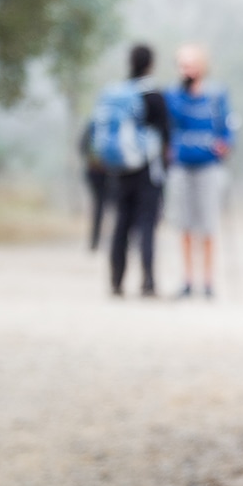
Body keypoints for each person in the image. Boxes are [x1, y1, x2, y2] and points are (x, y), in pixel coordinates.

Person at [93, 44, 169, 297]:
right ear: (151, 64)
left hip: (119, 170)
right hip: (147, 169)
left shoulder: (117, 93)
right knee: (147, 224)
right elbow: (166, 134)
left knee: (121, 224)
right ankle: (148, 282)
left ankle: (116, 281)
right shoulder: (153, 95)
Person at [164, 44, 234, 299]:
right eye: (182, 65)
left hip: (208, 166)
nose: (186, 70)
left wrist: (225, 145)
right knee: (184, 223)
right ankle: (187, 279)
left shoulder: (216, 95)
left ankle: (208, 281)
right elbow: (167, 125)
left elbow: (228, 126)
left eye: (191, 64)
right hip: (181, 166)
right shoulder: (172, 95)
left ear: (202, 66)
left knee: (208, 224)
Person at [78, 119, 111, 251]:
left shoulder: (93, 124)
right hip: (115, 172)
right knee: (118, 208)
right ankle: (118, 240)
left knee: (98, 206)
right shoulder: (120, 122)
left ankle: (94, 241)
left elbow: (81, 146)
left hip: (94, 171)